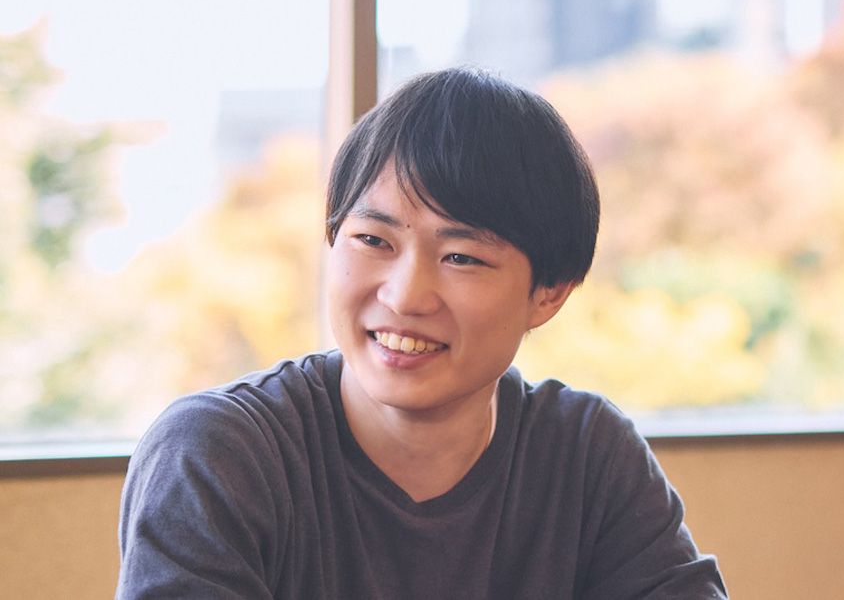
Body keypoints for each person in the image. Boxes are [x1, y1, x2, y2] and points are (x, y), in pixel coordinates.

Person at [117, 68, 728, 599]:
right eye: (373, 240)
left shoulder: (586, 455)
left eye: (462, 257)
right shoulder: (218, 455)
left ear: (549, 293)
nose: (405, 296)